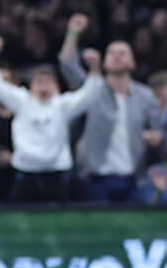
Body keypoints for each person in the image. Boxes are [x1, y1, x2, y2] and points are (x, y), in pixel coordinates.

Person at [0, 34, 103, 201]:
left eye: (48, 82)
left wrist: (95, 70)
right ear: (30, 87)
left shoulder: (63, 105)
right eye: (39, 82)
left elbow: (90, 95)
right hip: (26, 171)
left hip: (57, 172)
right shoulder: (22, 101)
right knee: (19, 216)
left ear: (57, 87)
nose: (43, 87)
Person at [58, 14, 163, 202]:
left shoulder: (146, 96)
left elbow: (160, 133)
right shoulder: (93, 90)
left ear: (132, 63)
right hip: (96, 179)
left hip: (135, 180)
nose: (116, 56)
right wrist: (73, 32)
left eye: (122, 53)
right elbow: (68, 65)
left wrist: (157, 139)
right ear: (105, 62)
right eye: (112, 53)